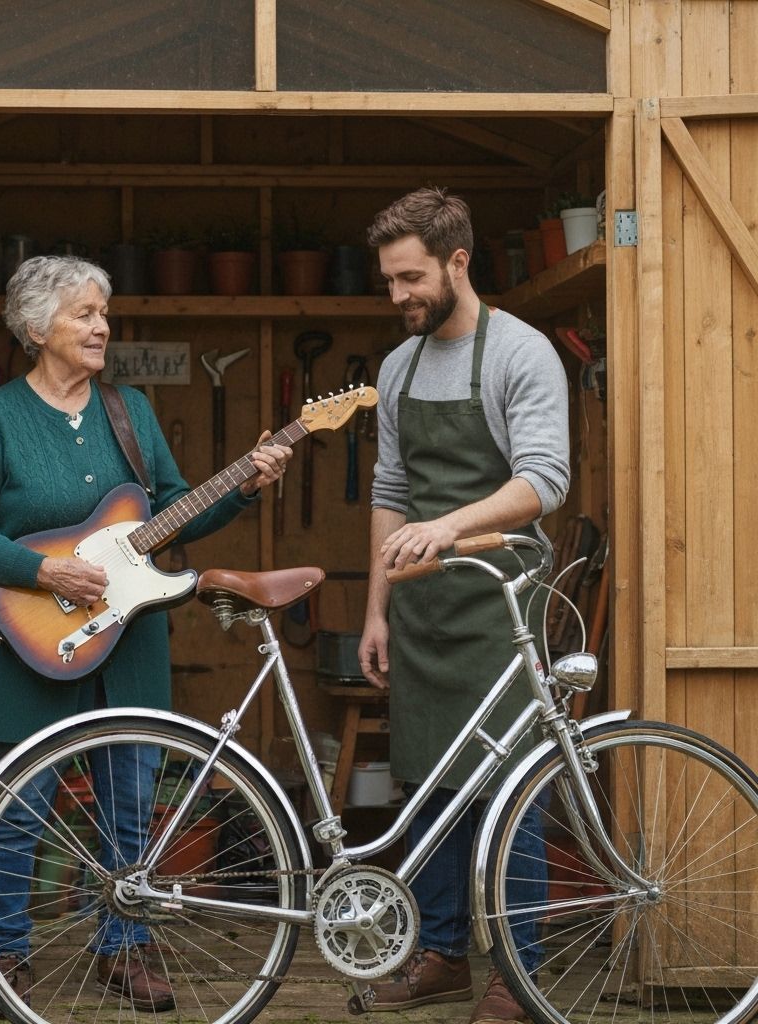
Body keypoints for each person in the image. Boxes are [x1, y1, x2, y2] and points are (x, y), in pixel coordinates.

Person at [0, 255, 291, 1018]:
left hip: (126, 651)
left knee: (131, 811)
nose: (102, 327)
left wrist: (244, 485)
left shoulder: (128, 411)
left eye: (104, 313)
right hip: (27, 648)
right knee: (16, 814)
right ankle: (6, 957)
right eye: (84, 314)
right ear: (37, 329)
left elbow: (174, 515)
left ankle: (122, 948)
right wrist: (44, 573)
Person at [357, 188, 570, 1024]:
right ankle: (442, 952)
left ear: (457, 262)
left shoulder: (522, 353)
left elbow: (542, 482)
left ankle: (517, 976)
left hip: (500, 603)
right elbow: (389, 491)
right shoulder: (397, 366)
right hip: (421, 607)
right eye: (388, 281)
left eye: (411, 277)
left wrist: (445, 530)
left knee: (513, 790)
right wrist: (376, 608)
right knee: (429, 783)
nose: (399, 295)